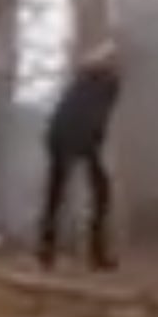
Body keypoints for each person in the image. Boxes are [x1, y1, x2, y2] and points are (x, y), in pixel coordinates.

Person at [38, 40, 121, 271]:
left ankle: (47, 250)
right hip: (73, 137)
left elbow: (73, 112)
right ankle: (95, 254)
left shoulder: (82, 80)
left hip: (62, 135)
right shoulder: (108, 84)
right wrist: (93, 146)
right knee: (98, 194)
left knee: (56, 194)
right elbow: (97, 117)